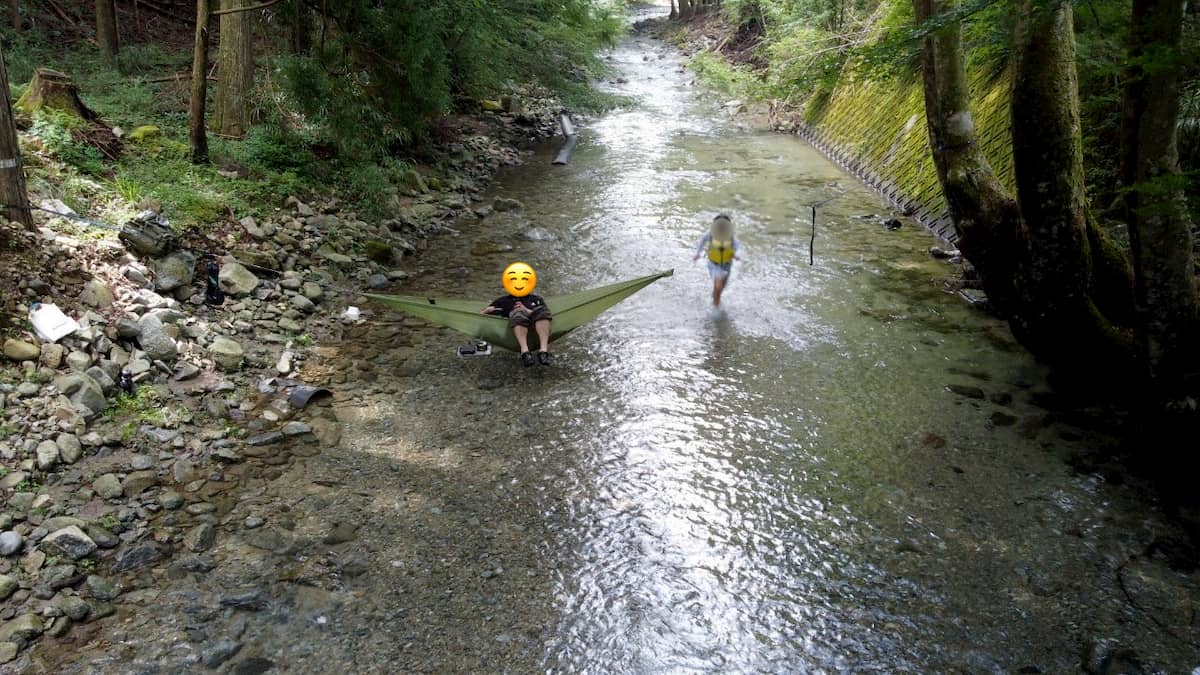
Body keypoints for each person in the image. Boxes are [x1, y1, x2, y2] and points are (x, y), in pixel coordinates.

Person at [482, 262, 553, 367]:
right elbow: (485, 313)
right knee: (517, 312)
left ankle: (543, 351)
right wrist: (487, 310)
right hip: (517, 322)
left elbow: (546, 314)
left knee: (541, 311)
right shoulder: (503, 300)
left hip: (535, 320)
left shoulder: (536, 299)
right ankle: (525, 352)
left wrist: (527, 310)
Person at [692, 213, 742, 307]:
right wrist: (697, 253)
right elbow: (702, 241)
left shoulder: (730, 236)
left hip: (727, 265)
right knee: (718, 286)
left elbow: (738, 246)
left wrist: (737, 255)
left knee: (721, 287)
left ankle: (715, 297)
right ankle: (716, 307)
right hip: (714, 264)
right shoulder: (711, 234)